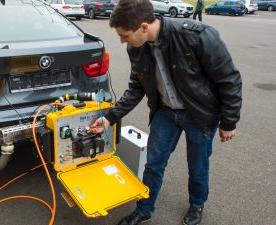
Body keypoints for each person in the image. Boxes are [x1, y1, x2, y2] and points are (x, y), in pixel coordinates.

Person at [89, 0, 242, 224]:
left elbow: (229, 80)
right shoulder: (137, 48)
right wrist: (110, 118)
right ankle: (144, 209)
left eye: (125, 35)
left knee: (198, 166)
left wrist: (229, 122)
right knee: (153, 163)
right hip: (165, 112)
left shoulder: (196, 36)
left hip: (200, 114)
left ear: (143, 27)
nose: (123, 41)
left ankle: (197, 205)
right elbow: (136, 87)